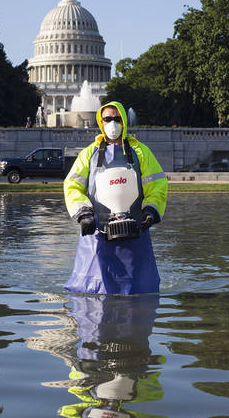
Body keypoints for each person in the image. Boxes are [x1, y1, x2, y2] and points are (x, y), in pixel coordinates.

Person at [63, 101, 168, 294]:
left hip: (136, 229)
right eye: (108, 119)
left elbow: (157, 185)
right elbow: (72, 186)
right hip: (96, 231)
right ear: (101, 123)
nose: (113, 123)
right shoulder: (88, 154)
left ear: (124, 121)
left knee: (140, 291)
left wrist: (151, 210)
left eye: (117, 119)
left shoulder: (142, 152)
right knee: (92, 292)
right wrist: (83, 213)